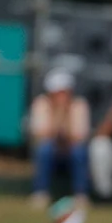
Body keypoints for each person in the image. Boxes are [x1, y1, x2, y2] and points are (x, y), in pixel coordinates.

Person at [29, 69, 90, 206]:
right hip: (51, 152)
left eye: (65, 92)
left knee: (79, 151)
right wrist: (58, 115)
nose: (62, 97)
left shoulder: (79, 104)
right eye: (58, 93)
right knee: (44, 150)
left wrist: (65, 115)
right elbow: (41, 136)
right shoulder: (40, 103)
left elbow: (79, 138)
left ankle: (81, 195)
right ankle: (40, 193)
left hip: (70, 152)